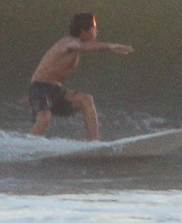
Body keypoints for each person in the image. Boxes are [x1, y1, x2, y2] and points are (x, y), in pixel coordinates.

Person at [28, 13, 133, 141]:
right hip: (40, 88)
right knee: (45, 118)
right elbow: (83, 47)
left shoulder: (74, 47)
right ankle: (27, 145)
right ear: (84, 30)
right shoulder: (68, 42)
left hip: (55, 91)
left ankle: (95, 142)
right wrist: (110, 46)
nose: (97, 31)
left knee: (86, 100)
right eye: (94, 28)